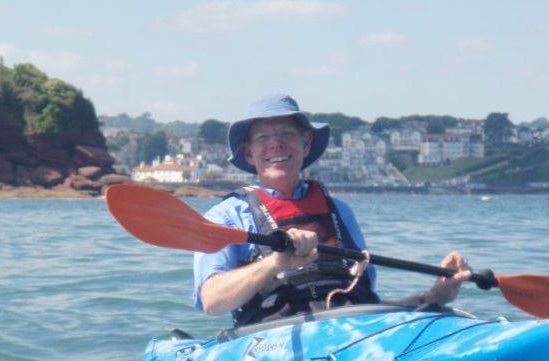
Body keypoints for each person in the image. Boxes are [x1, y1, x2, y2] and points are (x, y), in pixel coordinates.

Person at [193, 94, 471, 326]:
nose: (275, 144)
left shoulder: (339, 212)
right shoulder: (227, 216)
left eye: (286, 134)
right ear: (249, 153)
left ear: (306, 144)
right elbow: (212, 300)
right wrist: (275, 263)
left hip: (350, 331)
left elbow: (364, 303)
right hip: (274, 337)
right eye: (263, 137)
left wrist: (434, 297)